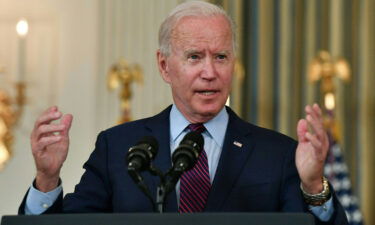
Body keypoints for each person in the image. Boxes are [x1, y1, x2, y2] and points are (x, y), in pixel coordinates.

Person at [19, 1, 348, 224]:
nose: (210, 72)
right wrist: (47, 180)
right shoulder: (118, 147)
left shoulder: (277, 153)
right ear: (164, 65)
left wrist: (313, 186)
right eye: (194, 57)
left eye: (221, 57)